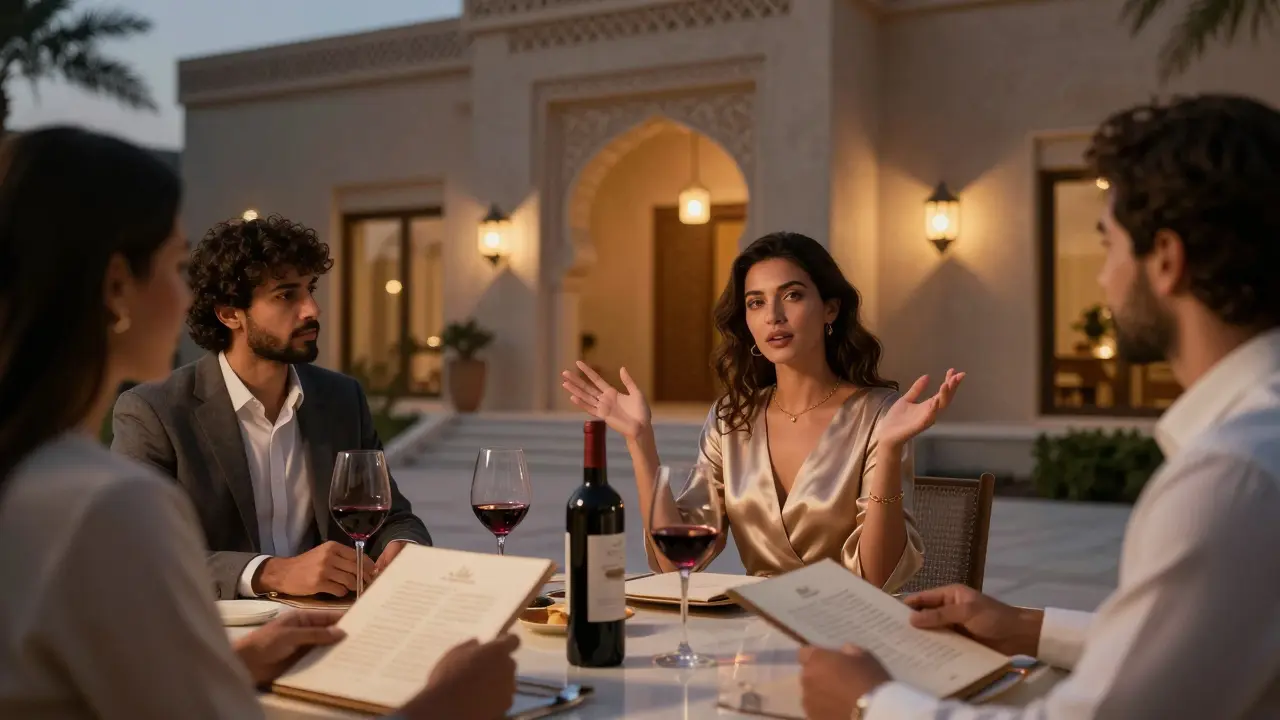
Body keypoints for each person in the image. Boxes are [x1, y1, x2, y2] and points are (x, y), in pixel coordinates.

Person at [0, 126, 518, 719]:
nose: (313, 310)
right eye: (175, 264)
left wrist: (242, 663)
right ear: (118, 287)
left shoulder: (29, 477)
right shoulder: (109, 501)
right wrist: (450, 704)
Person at [798, 94, 1280, 719]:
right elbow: (1189, 644)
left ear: (1165, 259)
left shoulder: (1232, 477)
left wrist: (869, 701)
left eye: (1107, 246)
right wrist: (1024, 627)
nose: (1104, 279)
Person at [562, 232, 963, 590]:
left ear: (830, 309)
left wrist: (890, 448)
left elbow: (877, 579)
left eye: (792, 295)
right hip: (756, 640)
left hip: (853, 638)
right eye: (756, 302)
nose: (774, 315)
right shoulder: (732, 419)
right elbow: (675, 565)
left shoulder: (879, 415)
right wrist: (640, 441)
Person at [112, 213, 432, 600]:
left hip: (331, 623)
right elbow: (139, 550)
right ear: (230, 314)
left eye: (310, 289)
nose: (312, 309)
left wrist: (403, 548)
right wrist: (271, 573)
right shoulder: (154, 411)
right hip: (221, 635)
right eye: (286, 295)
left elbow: (392, 517)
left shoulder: (341, 399)